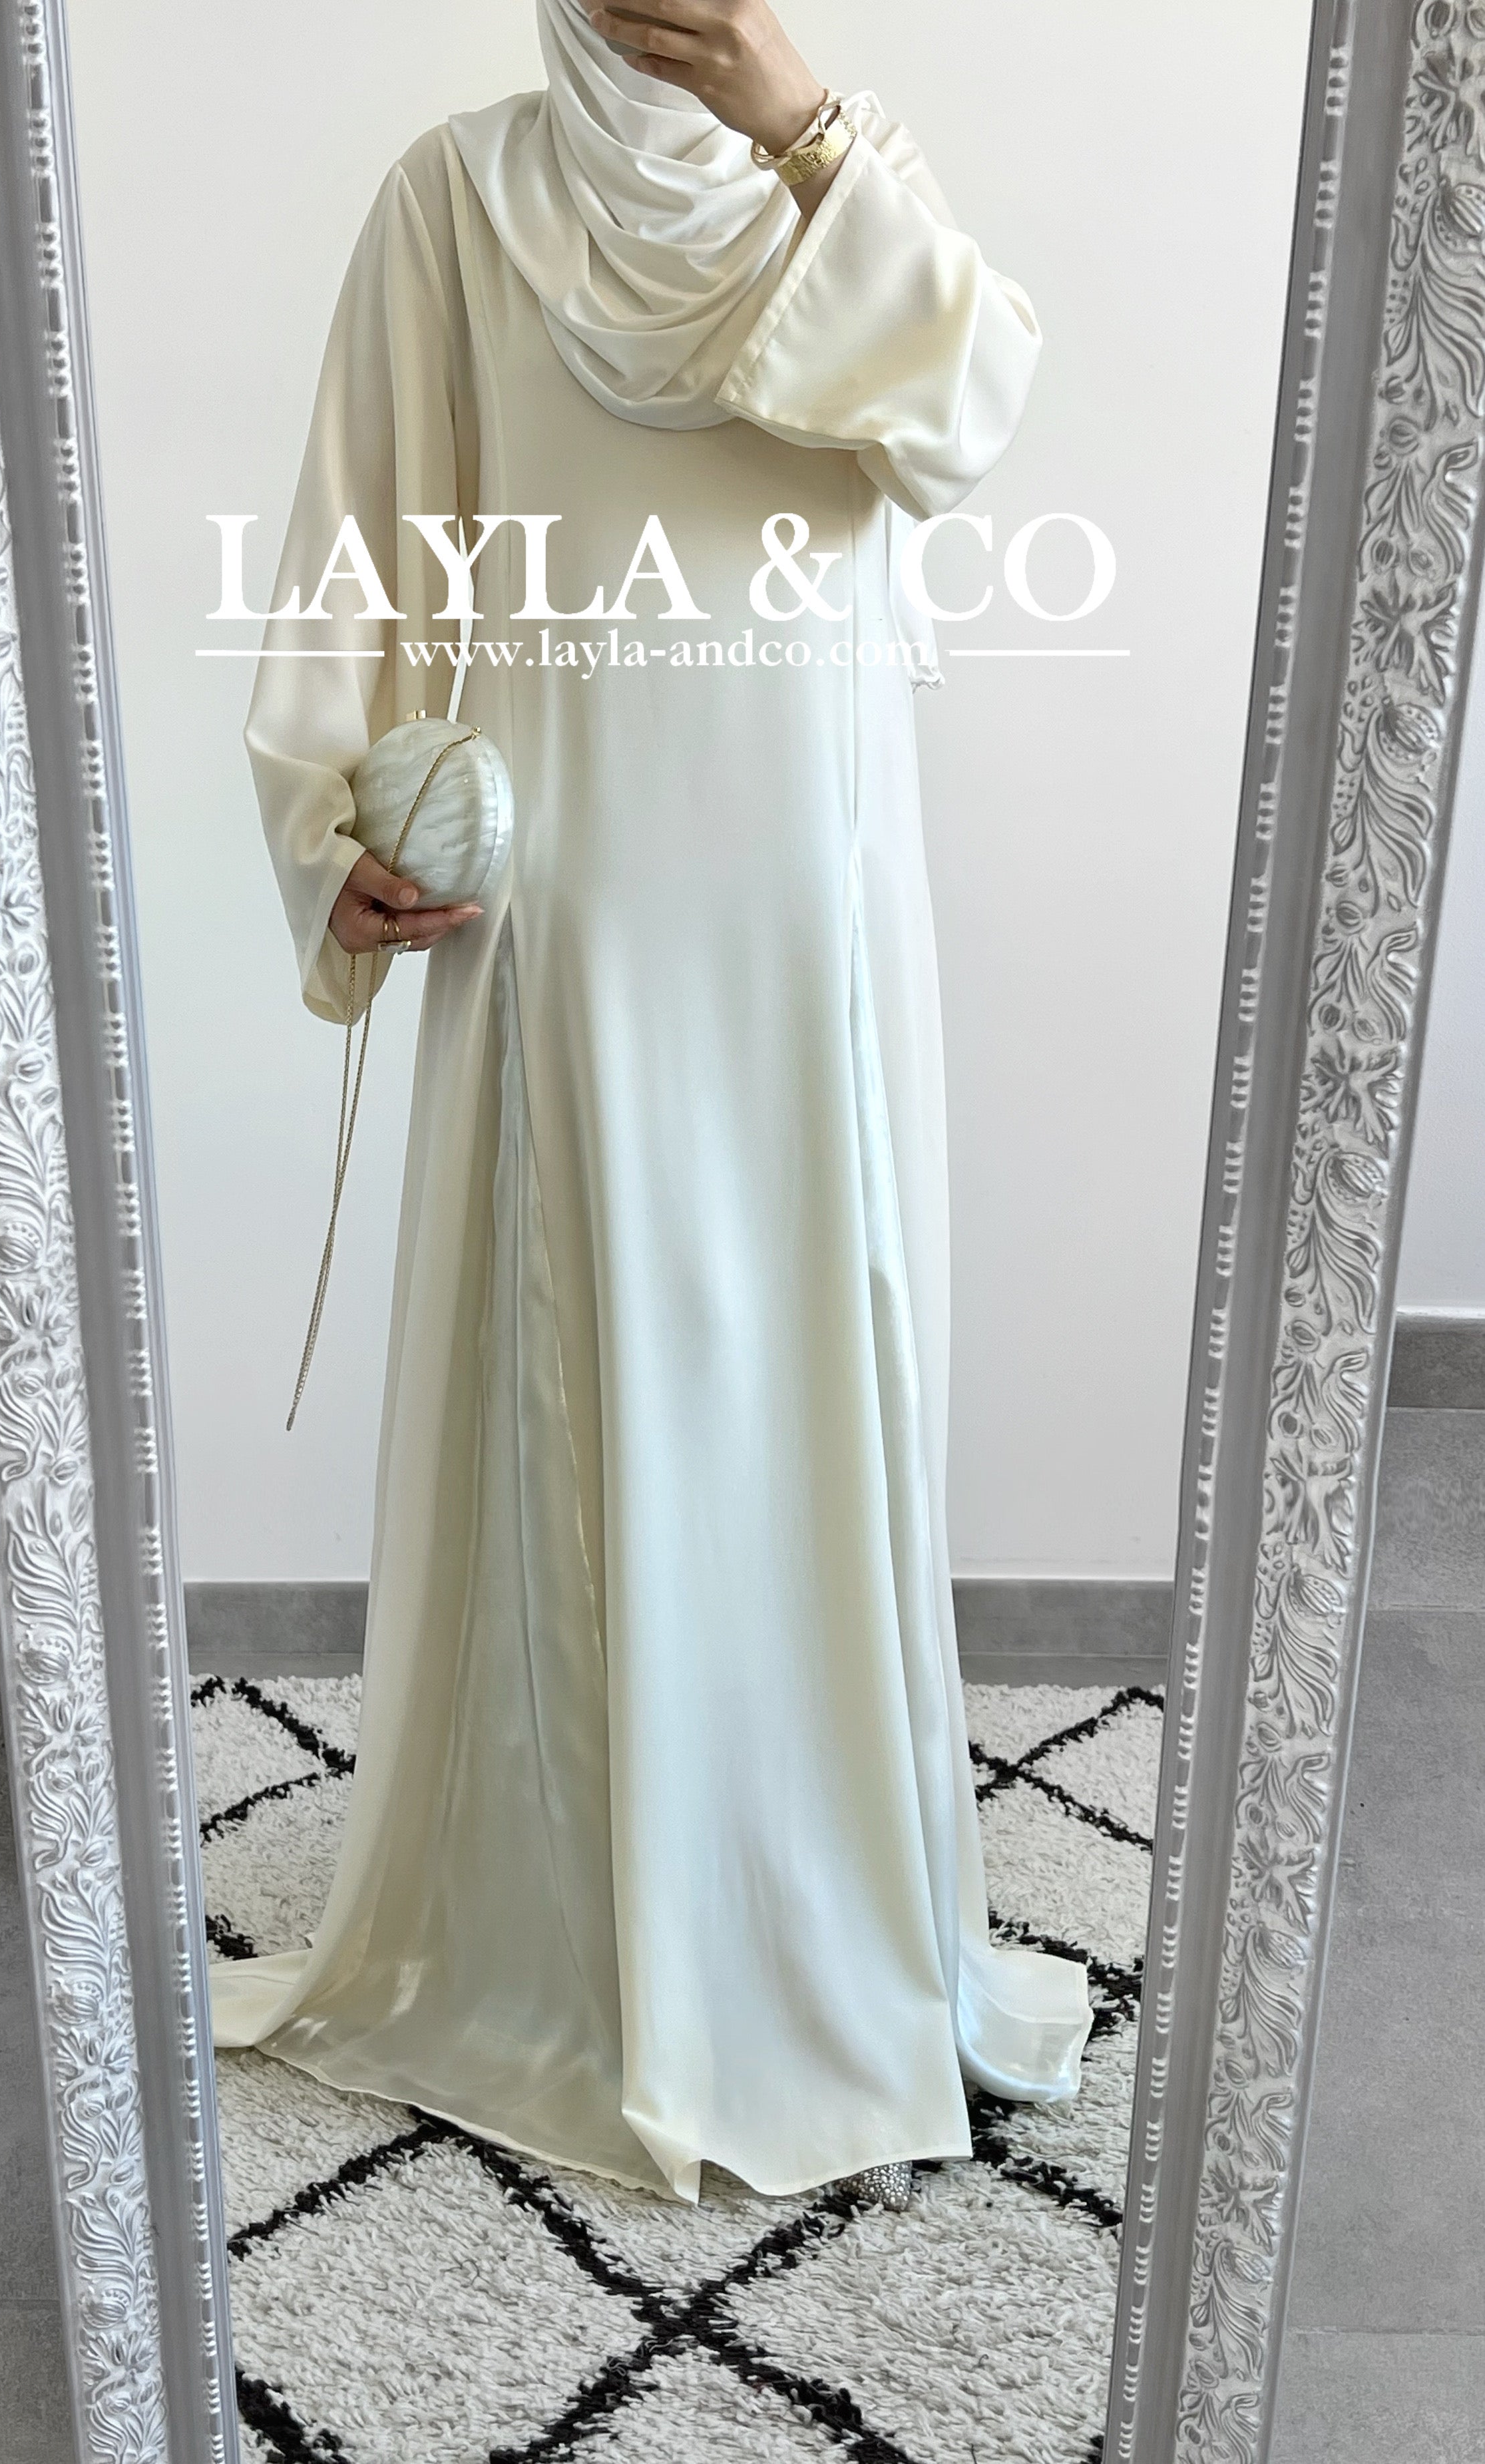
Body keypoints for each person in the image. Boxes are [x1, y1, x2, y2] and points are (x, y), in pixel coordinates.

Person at [212, 0, 1092, 2210]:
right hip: (569, 900)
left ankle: (813, 1918)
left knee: (803, 1364)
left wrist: (798, 118)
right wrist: (338, 831)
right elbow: (359, 552)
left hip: (808, 916)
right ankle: (557, 1939)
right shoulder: (458, 199)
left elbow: (974, 406)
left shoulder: (848, 184)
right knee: (573, 1380)